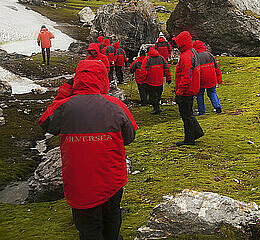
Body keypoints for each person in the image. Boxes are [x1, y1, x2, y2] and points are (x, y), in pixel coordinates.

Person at [38, 59, 137, 240]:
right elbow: (129, 137)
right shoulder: (116, 105)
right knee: (112, 218)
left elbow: (46, 122)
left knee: (89, 228)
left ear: (77, 79)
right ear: (103, 78)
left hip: (79, 181)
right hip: (112, 179)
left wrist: (65, 92)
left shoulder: (65, 106)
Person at [173, 31, 204, 146]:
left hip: (186, 90)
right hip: (191, 89)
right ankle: (196, 133)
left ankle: (190, 138)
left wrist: (179, 92)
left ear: (182, 42)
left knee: (186, 115)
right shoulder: (192, 51)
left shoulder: (186, 56)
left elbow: (186, 77)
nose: (176, 44)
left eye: (178, 41)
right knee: (188, 113)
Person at [193, 40, 223, 115]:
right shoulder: (210, 55)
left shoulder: (195, 57)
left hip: (201, 80)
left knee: (200, 95)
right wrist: (219, 79)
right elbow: (217, 68)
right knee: (212, 93)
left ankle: (201, 111)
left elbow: (194, 71)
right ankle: (217, 106)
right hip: (212, 79)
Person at [142, 47, 171, 114]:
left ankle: (156, 108)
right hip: (159, 81)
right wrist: (168, 78)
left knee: (152, 97)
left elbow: (144, 71)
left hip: (150, 82)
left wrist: (143, 80)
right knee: (158, 96)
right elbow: (167, 68)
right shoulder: (161, 58)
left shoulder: (147, 59)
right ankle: (157, 108)